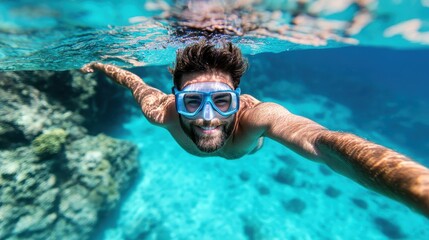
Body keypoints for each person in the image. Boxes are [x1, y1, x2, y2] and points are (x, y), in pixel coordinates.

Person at [81, 40, 429, 218]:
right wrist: (100, 64)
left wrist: (419, 189)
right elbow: (132, 81)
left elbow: (323, 142)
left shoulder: (258, 117)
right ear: (175, 98)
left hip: (250, 140)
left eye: (221, 101)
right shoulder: (161, 113)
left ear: (238, 100)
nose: (206, 118)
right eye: (191, 102)